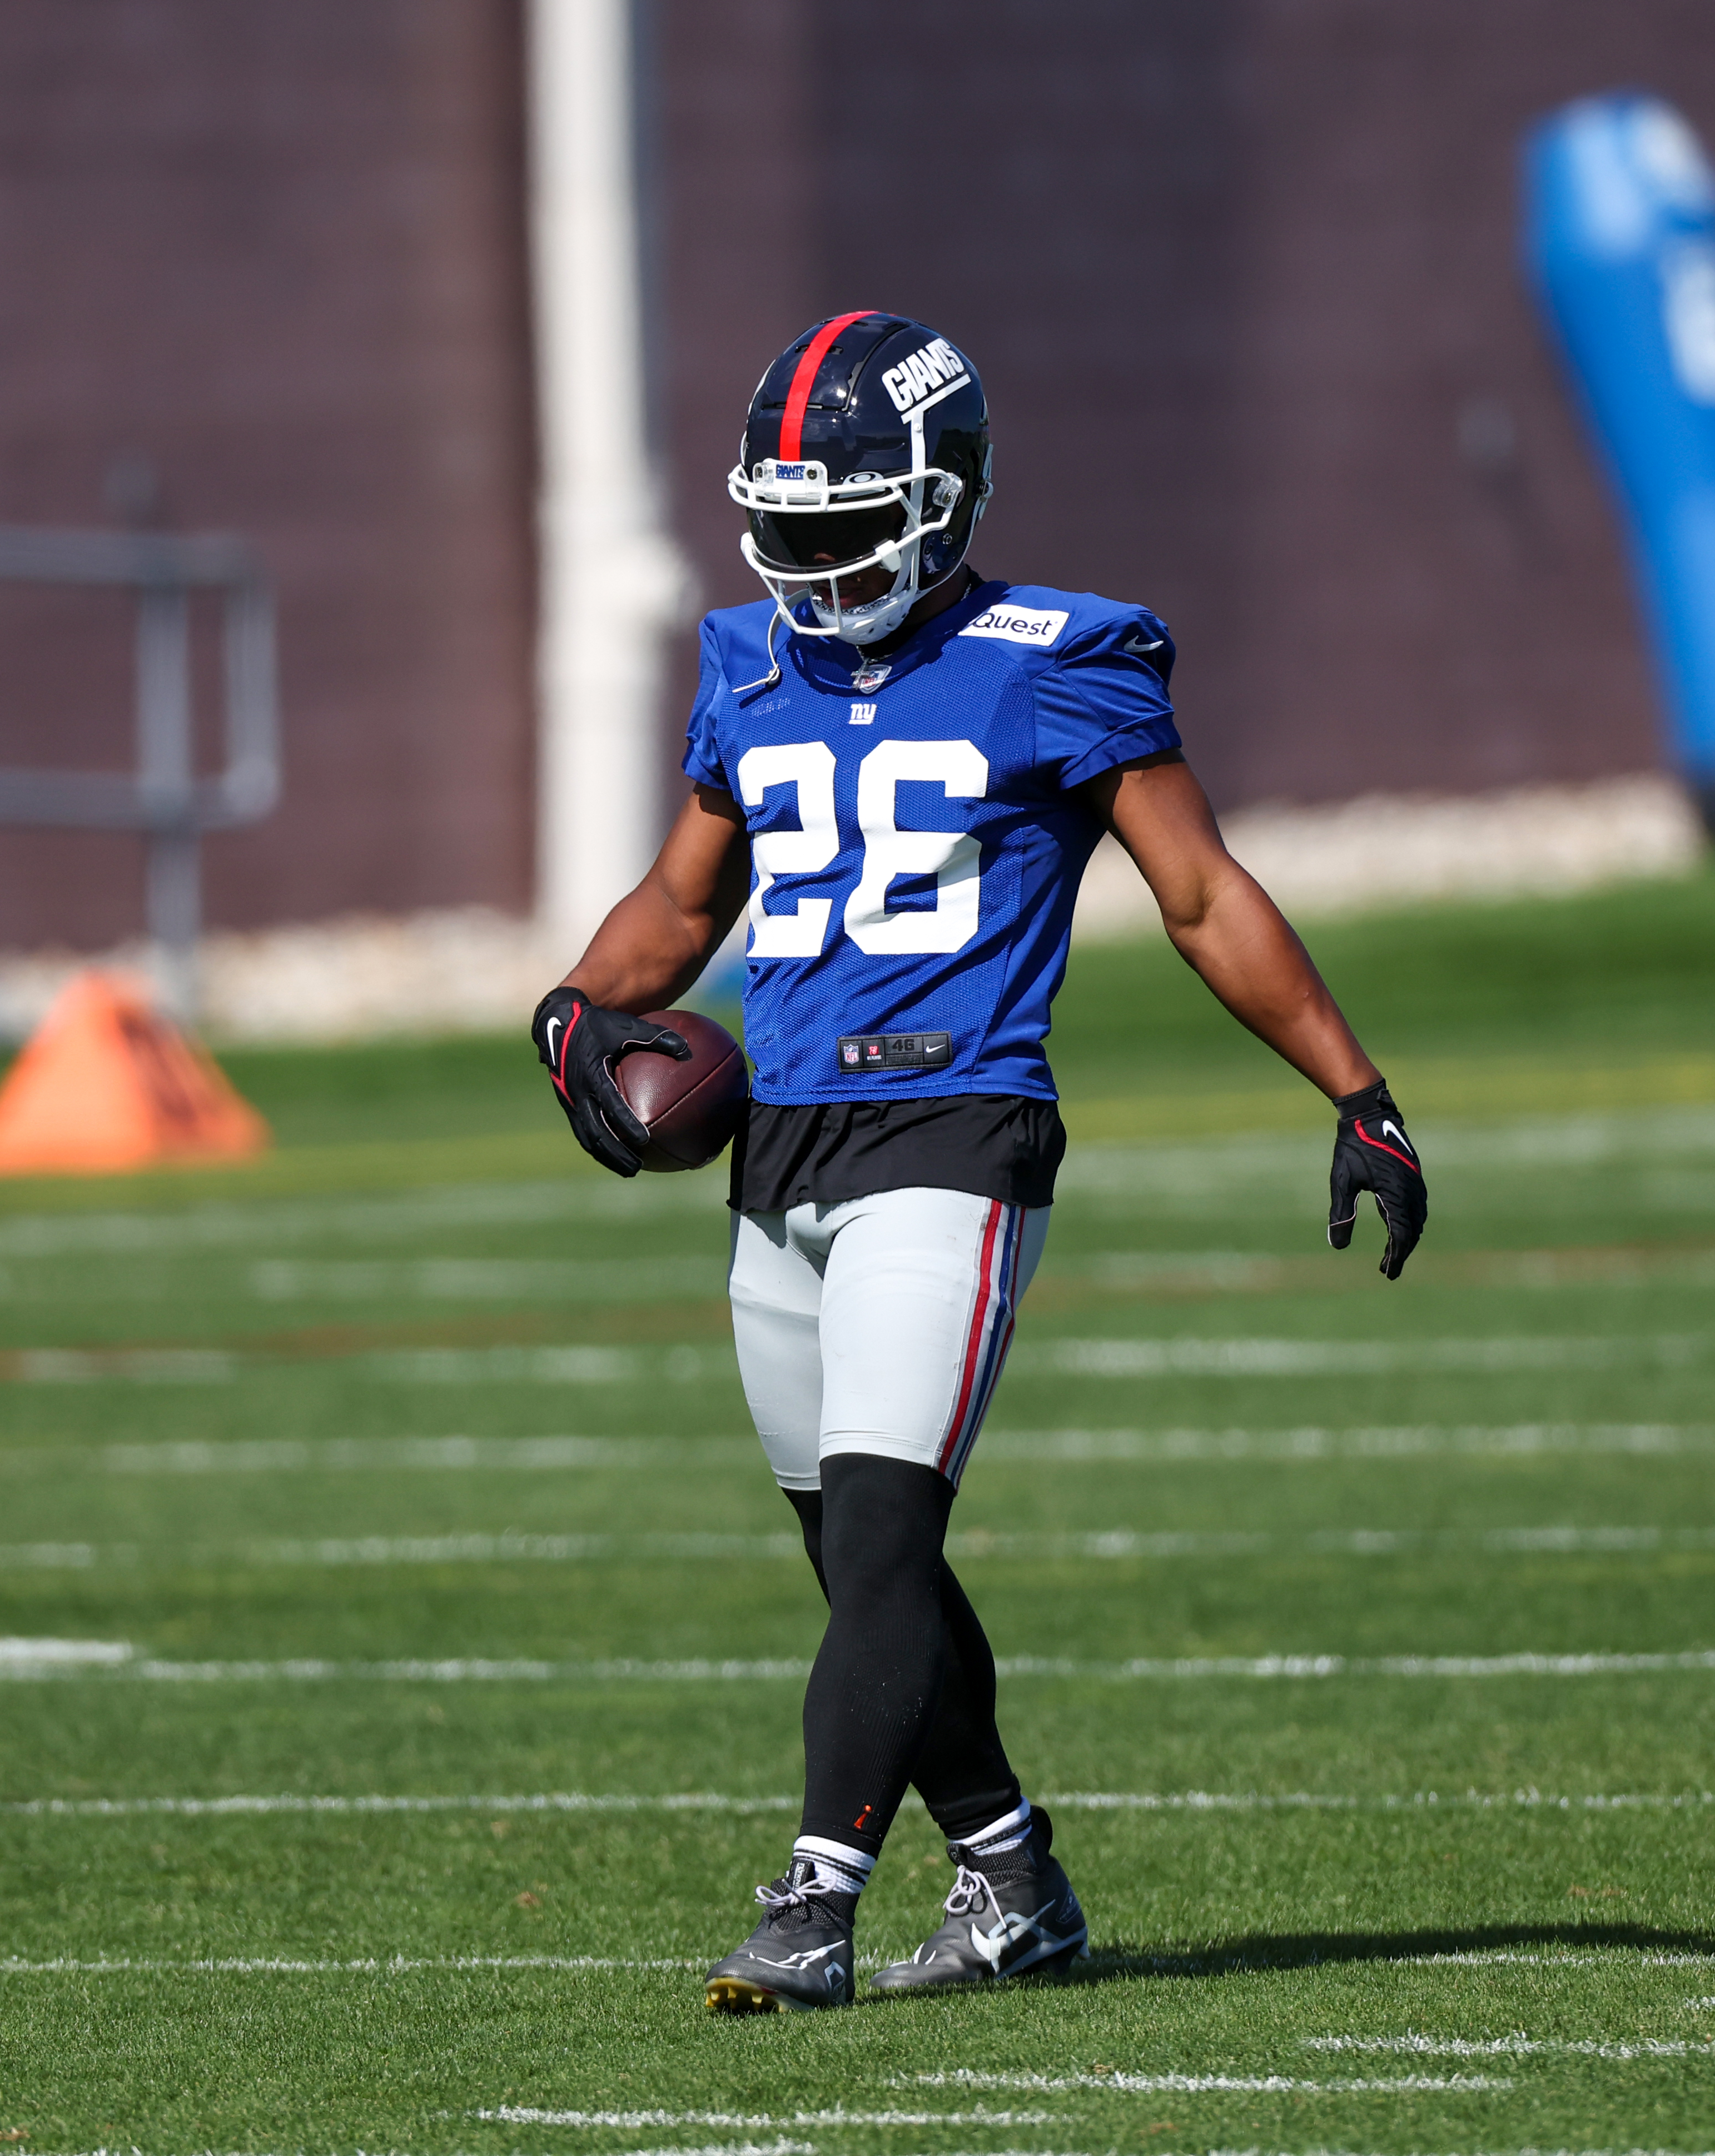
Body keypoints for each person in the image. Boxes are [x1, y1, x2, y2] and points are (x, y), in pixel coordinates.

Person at [533, 311, 1426, 2014]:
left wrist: (1355, 1088)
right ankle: (1011, 1875)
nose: (807, 564)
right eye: (780, 530)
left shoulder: (1056, 654)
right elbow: (675, 905)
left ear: (942, 502)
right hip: (780, 1149)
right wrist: (569, 1013)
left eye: (838, 528)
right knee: (857, 1560)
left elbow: (1201, 896)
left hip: (955, 1127)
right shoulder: (744, 663)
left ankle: (813, 1900)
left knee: (878, 1539)